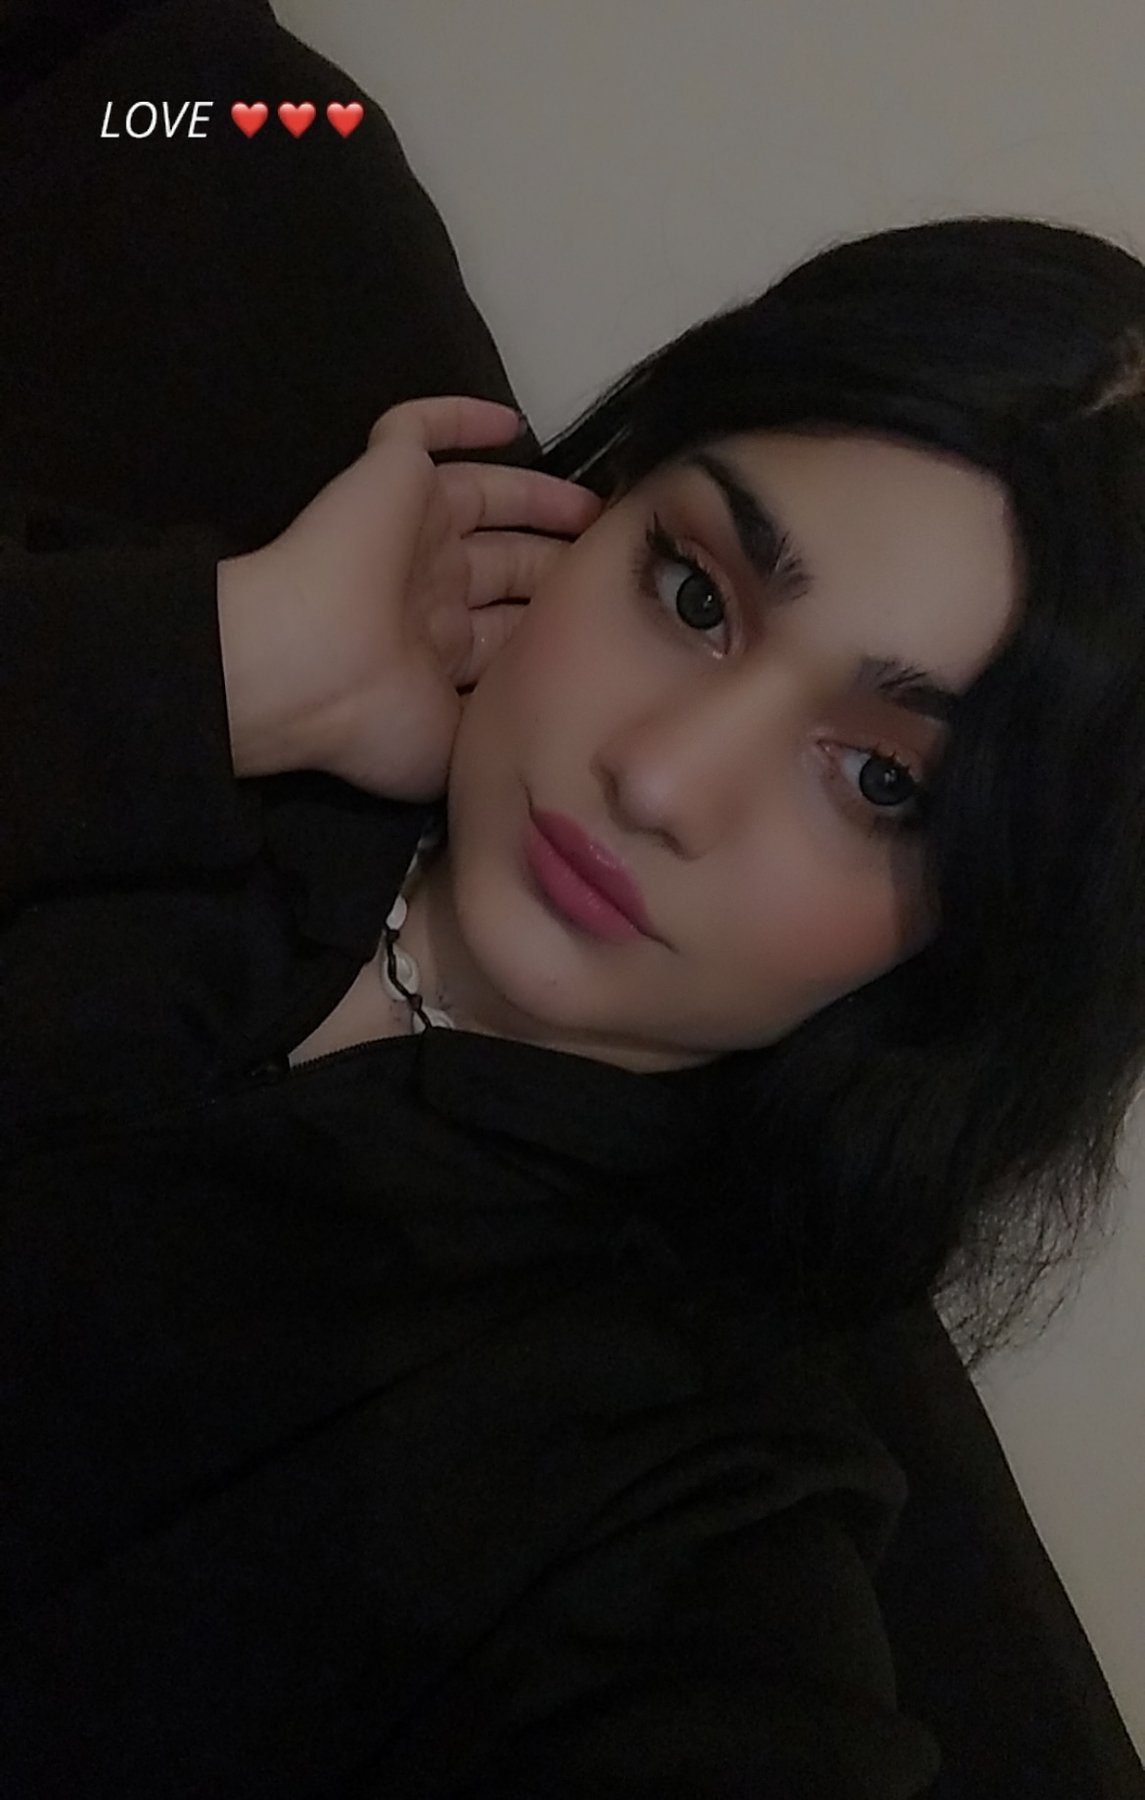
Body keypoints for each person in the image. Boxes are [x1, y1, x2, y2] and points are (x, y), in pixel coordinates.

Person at [3, 215, 1144, 1799]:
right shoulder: (183, 670)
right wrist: (218, 669)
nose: (659, 780)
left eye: (884, 783)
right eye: (694, 596)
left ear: (995, 929)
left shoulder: (683, 1512)